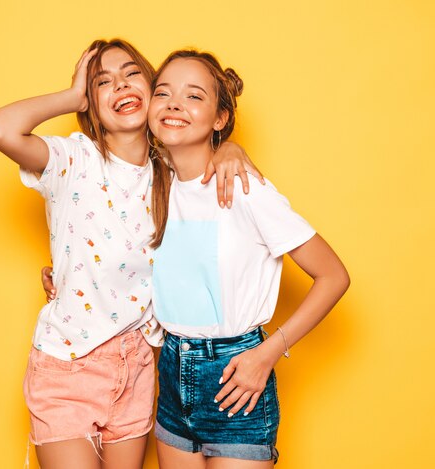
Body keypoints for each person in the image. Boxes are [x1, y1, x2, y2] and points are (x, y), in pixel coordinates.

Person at [0, 39, 260, 469]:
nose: (119, 86)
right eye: (101, 82)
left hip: (140, 364)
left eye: (131, 74)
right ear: (90, 104)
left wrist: (230, 148)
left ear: (153, 89)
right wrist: (71, 95)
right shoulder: (72, 158)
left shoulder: (170, 171)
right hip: (67, 365)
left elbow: (207, 167)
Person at [147, 50, 350, 468]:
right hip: (170, 371)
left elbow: (333, 276)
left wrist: (269, 352)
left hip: (235, 377)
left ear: (220, 118)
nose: (173, 104)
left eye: (194, 96)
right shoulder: (149, 182)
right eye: (163, 92)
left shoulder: (244, 188)